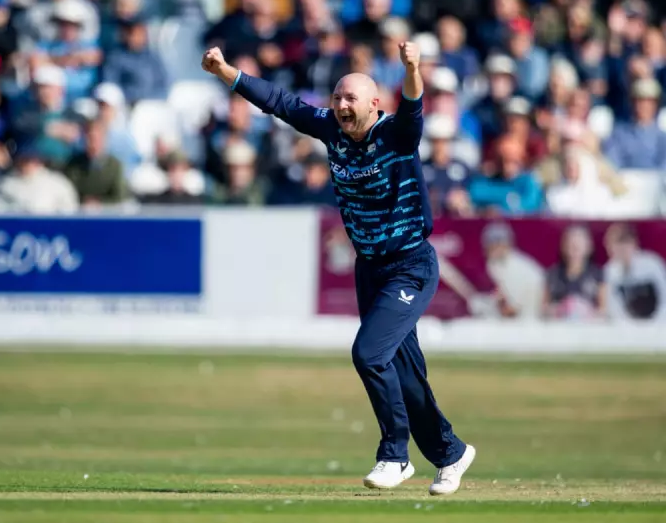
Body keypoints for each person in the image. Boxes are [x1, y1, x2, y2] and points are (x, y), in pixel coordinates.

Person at [201, 42, 475, 495]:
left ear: (374, 104)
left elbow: (412, 105)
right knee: (404, 373)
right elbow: (282, 104)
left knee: (369, 354)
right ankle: (450, 453)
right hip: (370, 269)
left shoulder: (397, 135)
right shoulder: (331, 129)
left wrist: (412, 68)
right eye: (337, 98)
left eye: (351, 99)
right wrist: (227, 72)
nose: (342, 106)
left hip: (411, 265)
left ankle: (394, 455)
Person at [542, 225, 606, 320]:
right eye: (571, 245)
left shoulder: (598, 275)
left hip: (589, 329)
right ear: (564, 247)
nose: (575, 250)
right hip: (558, 328)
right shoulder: (552, 274)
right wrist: (559, 309)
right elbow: (543, 308)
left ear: (589, 247)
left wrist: (586, 311)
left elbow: (604, 310)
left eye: (579, 245)